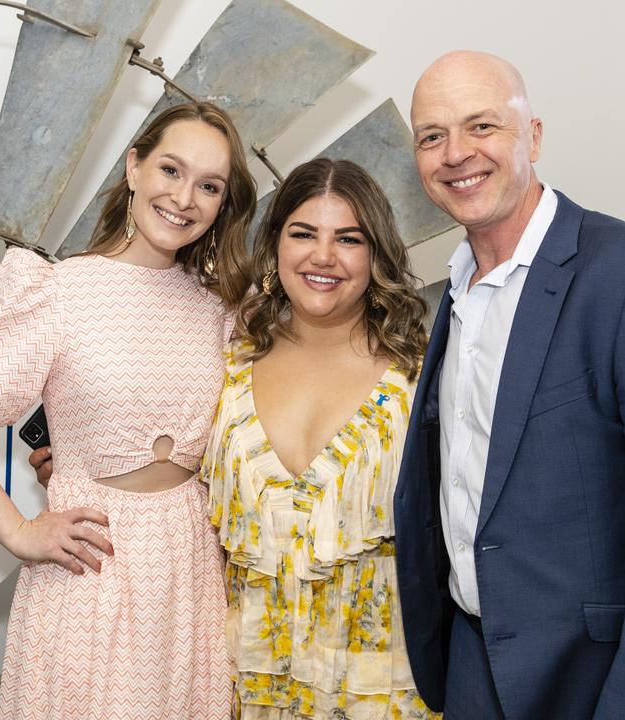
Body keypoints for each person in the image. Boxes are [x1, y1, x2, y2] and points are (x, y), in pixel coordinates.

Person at [392, 50, 625, 719]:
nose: (455, 153)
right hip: (475, 671)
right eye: (431, 136)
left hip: (606, 683)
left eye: (482, 126)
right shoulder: (456, 290)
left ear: (533, 136)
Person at [0, 102, 257, 720]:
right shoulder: (63, 291)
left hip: (193, 572)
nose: (185, 198)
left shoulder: (220, 306)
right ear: (133, 167)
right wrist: (17, 531)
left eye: (209, 186)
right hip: (94, 566)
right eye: (171, 171)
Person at [202, 158, 437, 719]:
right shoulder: (222, 365)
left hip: (383, 691)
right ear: (275, 243)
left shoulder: (423, 379)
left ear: (375, 253)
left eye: (348, 239)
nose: (323, 256)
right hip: (245, 691)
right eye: (302, 233)